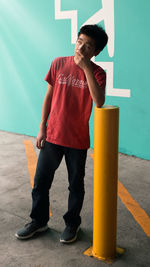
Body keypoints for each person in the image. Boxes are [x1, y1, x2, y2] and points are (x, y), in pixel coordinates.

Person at [15, 24, 108, 243]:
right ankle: (38, 221)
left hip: (77, 140)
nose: (82, 48)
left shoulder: (97, 73)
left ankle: (72, 224)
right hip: (53, 136)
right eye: (80, 42)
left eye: (89, 46)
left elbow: (99, 101)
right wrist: (41, 129)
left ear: (96, 52)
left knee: (76, 185)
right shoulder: (58, 63)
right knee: (40, 182)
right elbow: (48, 97)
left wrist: (85, 68)